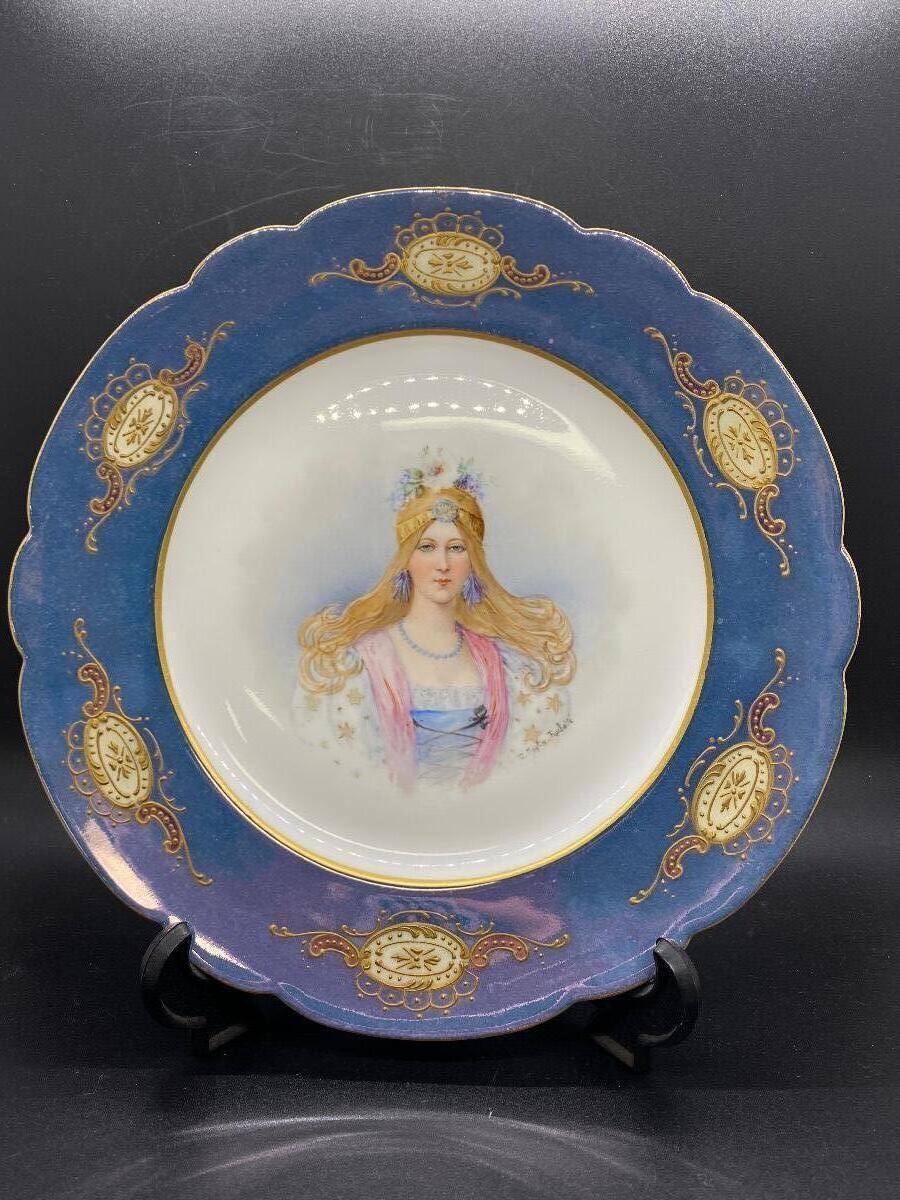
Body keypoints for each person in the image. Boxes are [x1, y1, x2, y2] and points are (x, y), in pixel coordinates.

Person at [293, 449, 575, 790]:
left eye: (456, 548)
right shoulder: (358, 665)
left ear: (473, 561)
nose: (443, 564)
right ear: (406, 558)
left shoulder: (506, 665)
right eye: (427, 547)